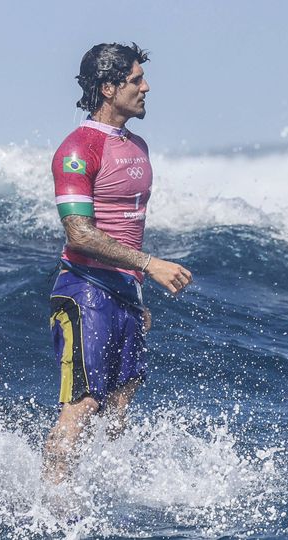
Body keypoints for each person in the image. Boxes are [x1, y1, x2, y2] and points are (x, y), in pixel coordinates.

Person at [43, 42, 192, 484]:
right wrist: (150, 265)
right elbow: (80, 233)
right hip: (84, 288)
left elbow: (126, 226)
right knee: (85, 403)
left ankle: (101, 499)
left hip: (124, 294)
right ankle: (52, 512)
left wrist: (135, 292)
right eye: (135, 79)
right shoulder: (78, 149)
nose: (146, 87)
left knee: (121, 402)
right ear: (108, 88)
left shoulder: (137, 145)